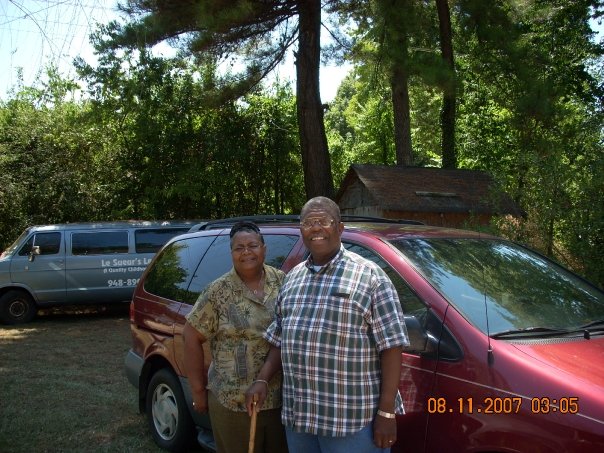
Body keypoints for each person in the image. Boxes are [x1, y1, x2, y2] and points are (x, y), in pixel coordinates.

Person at [246, 196, 409, 452]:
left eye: (324, 221)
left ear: (340, 228)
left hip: (352, 424)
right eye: (308, 222)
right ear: (301, 230)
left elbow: (392, 346)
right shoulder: (293, 279)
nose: (316, 228)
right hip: (301, 419)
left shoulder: (370, 277)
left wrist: (386, 412)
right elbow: (280, 338)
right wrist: (263, 379)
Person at [184, 221, 289, 453]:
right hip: (233, 403)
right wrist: (199, 391)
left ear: (264, 248)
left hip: (278, 401)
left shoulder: (283, 282)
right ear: (231, 253)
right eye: (239, 248)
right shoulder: (217, 292)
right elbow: (190, 336)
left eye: (252, 245)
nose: (246, 252)